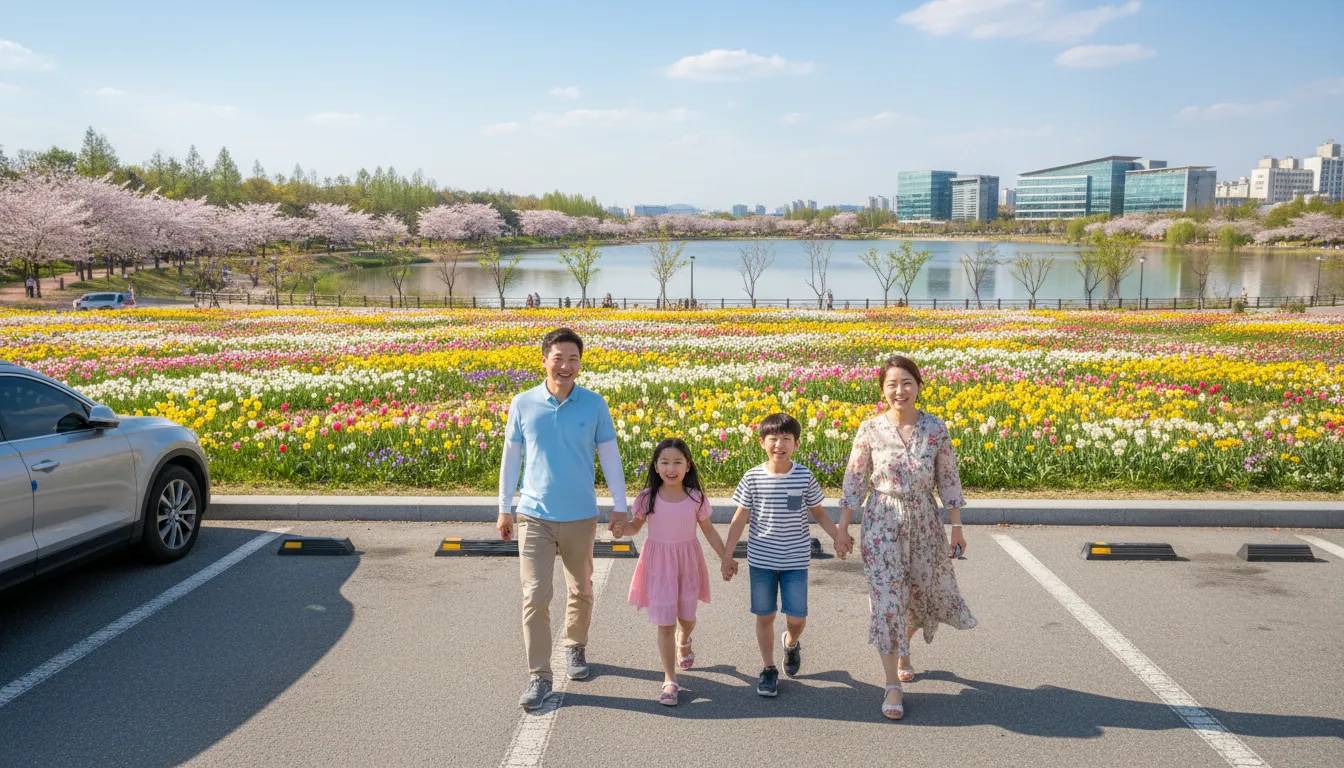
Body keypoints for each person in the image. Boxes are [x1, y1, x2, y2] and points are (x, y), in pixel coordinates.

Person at [836, 355, 977, 721]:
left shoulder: (934, 428)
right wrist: (842, 527)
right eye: (892, 385)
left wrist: (957, 525)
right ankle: (891, 685)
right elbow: (854, 479)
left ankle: (903, 649)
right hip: (881, 521)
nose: (900, 391)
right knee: (886, 602)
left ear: (918, 385)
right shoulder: (870, 429)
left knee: (919, 595)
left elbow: (948, 478)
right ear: (882, 390)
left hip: (925, 521)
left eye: (907, 383)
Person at [498, 327, 630, 711]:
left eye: (573, 359)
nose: (566, 365)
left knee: (582, 590)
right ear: (544, 360)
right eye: (559, 358)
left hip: (581, 516)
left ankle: (575, 646)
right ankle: (538, 675)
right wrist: (504, 506)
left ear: (580, 363)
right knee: (535, 596)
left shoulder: (594, 405)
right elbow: (511, 459)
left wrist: (619, 505)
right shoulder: (523, 403)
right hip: (534, 515)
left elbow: (610, 457)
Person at [720, 413, 845, 698]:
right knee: (765, 615)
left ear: (796, 443)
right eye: (773, 439)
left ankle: (790, 643)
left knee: (797, 618)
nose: (780, 444)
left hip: (795, 562)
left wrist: (838, 535)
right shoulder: (752, 477)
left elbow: (818, 512)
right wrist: (727, 555)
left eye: (786, 439)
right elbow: (739, 519)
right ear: (762, 442)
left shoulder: (804, 476)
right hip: (762, 561)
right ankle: (768, 669)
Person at [617, 438, 727, 706]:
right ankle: (669, 679)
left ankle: (685, 638)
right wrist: (622, 530)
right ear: (655, 467)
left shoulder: (695, 498)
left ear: (688, 466)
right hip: (658, 566)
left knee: (687, 618)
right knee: (665, 623)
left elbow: (709, 530)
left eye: (677, 462)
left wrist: (725, 556)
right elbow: (635, 527)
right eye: (664, 462)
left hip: (687, 563)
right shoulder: (648, 498)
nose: (671, 467)